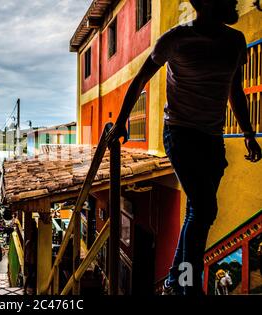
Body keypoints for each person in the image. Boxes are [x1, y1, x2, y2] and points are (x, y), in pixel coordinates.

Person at [112, 0, 261, 295]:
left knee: (197, 210)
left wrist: (247, 131)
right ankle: (187, 286)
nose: (231, 0)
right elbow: (141, 78)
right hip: (180, 135)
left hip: (212, 137)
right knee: (205, 210)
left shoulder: (235, 40)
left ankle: (173, 281)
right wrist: (120, 123)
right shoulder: (175, 38)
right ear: (205, 2)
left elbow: (235, 89)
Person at [23, 219, 38, 295]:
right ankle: (33, 289)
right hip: (34, 259)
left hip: (29, 259)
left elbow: (27, 251)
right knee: (34, 274)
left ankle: (25, 288)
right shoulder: (35, 233)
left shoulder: (29, 241)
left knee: (30, 275)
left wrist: (25, 260)